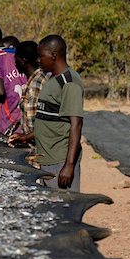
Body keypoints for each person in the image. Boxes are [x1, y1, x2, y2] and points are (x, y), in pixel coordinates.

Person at [34, 35, 84, 192]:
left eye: (41, 56)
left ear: (54, 55)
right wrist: (28, 136)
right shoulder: (52, 79)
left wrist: (68, 165)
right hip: (46, 158)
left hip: (59, 161)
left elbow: (76, 124)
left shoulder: (69, 82)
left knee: (63, 211)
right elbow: (50, 117)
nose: (38, 60)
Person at [8, 41, 50, 147]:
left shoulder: (35, 85)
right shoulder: (40, 77)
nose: (15, 63)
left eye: (16, 59)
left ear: (23, 61)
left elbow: (35, 124)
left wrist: (24, 137)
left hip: (41, 148)